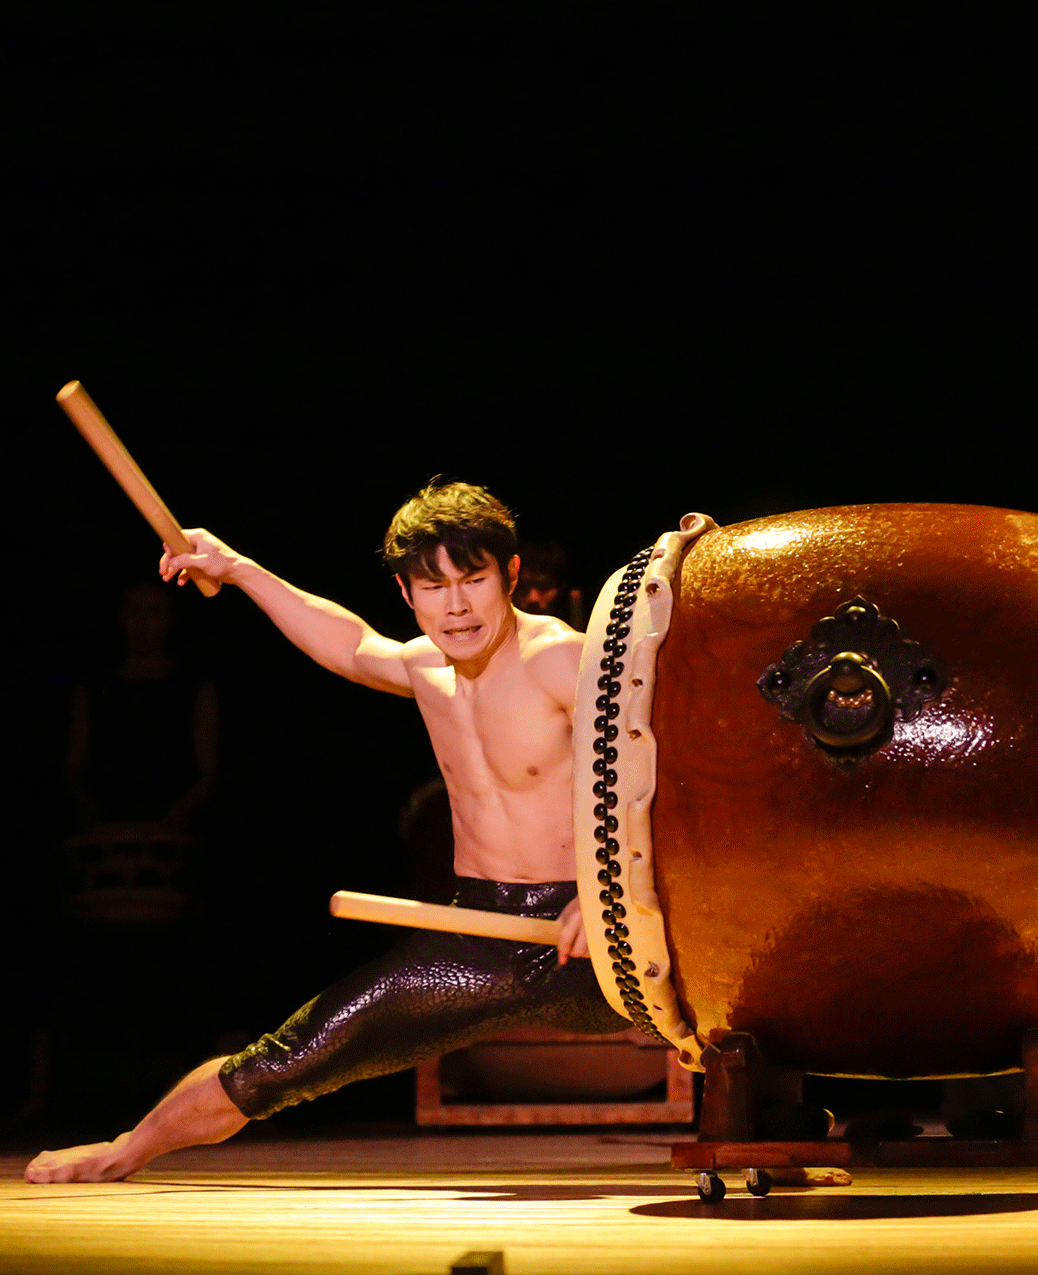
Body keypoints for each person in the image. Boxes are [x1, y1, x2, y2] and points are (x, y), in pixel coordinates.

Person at [30, 484, 650, 1181]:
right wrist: (235, 565)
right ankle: (126, 1148)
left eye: (473, 580)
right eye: (433, 585)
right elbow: (349, 643)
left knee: (730, 1016)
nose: (455, 605)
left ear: (508, 575)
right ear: (406, 591)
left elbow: (669, 777)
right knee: (292, 1052)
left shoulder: (561, 659)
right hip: (482, 932)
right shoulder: (424, 668)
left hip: (598, 925)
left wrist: (609, 893)